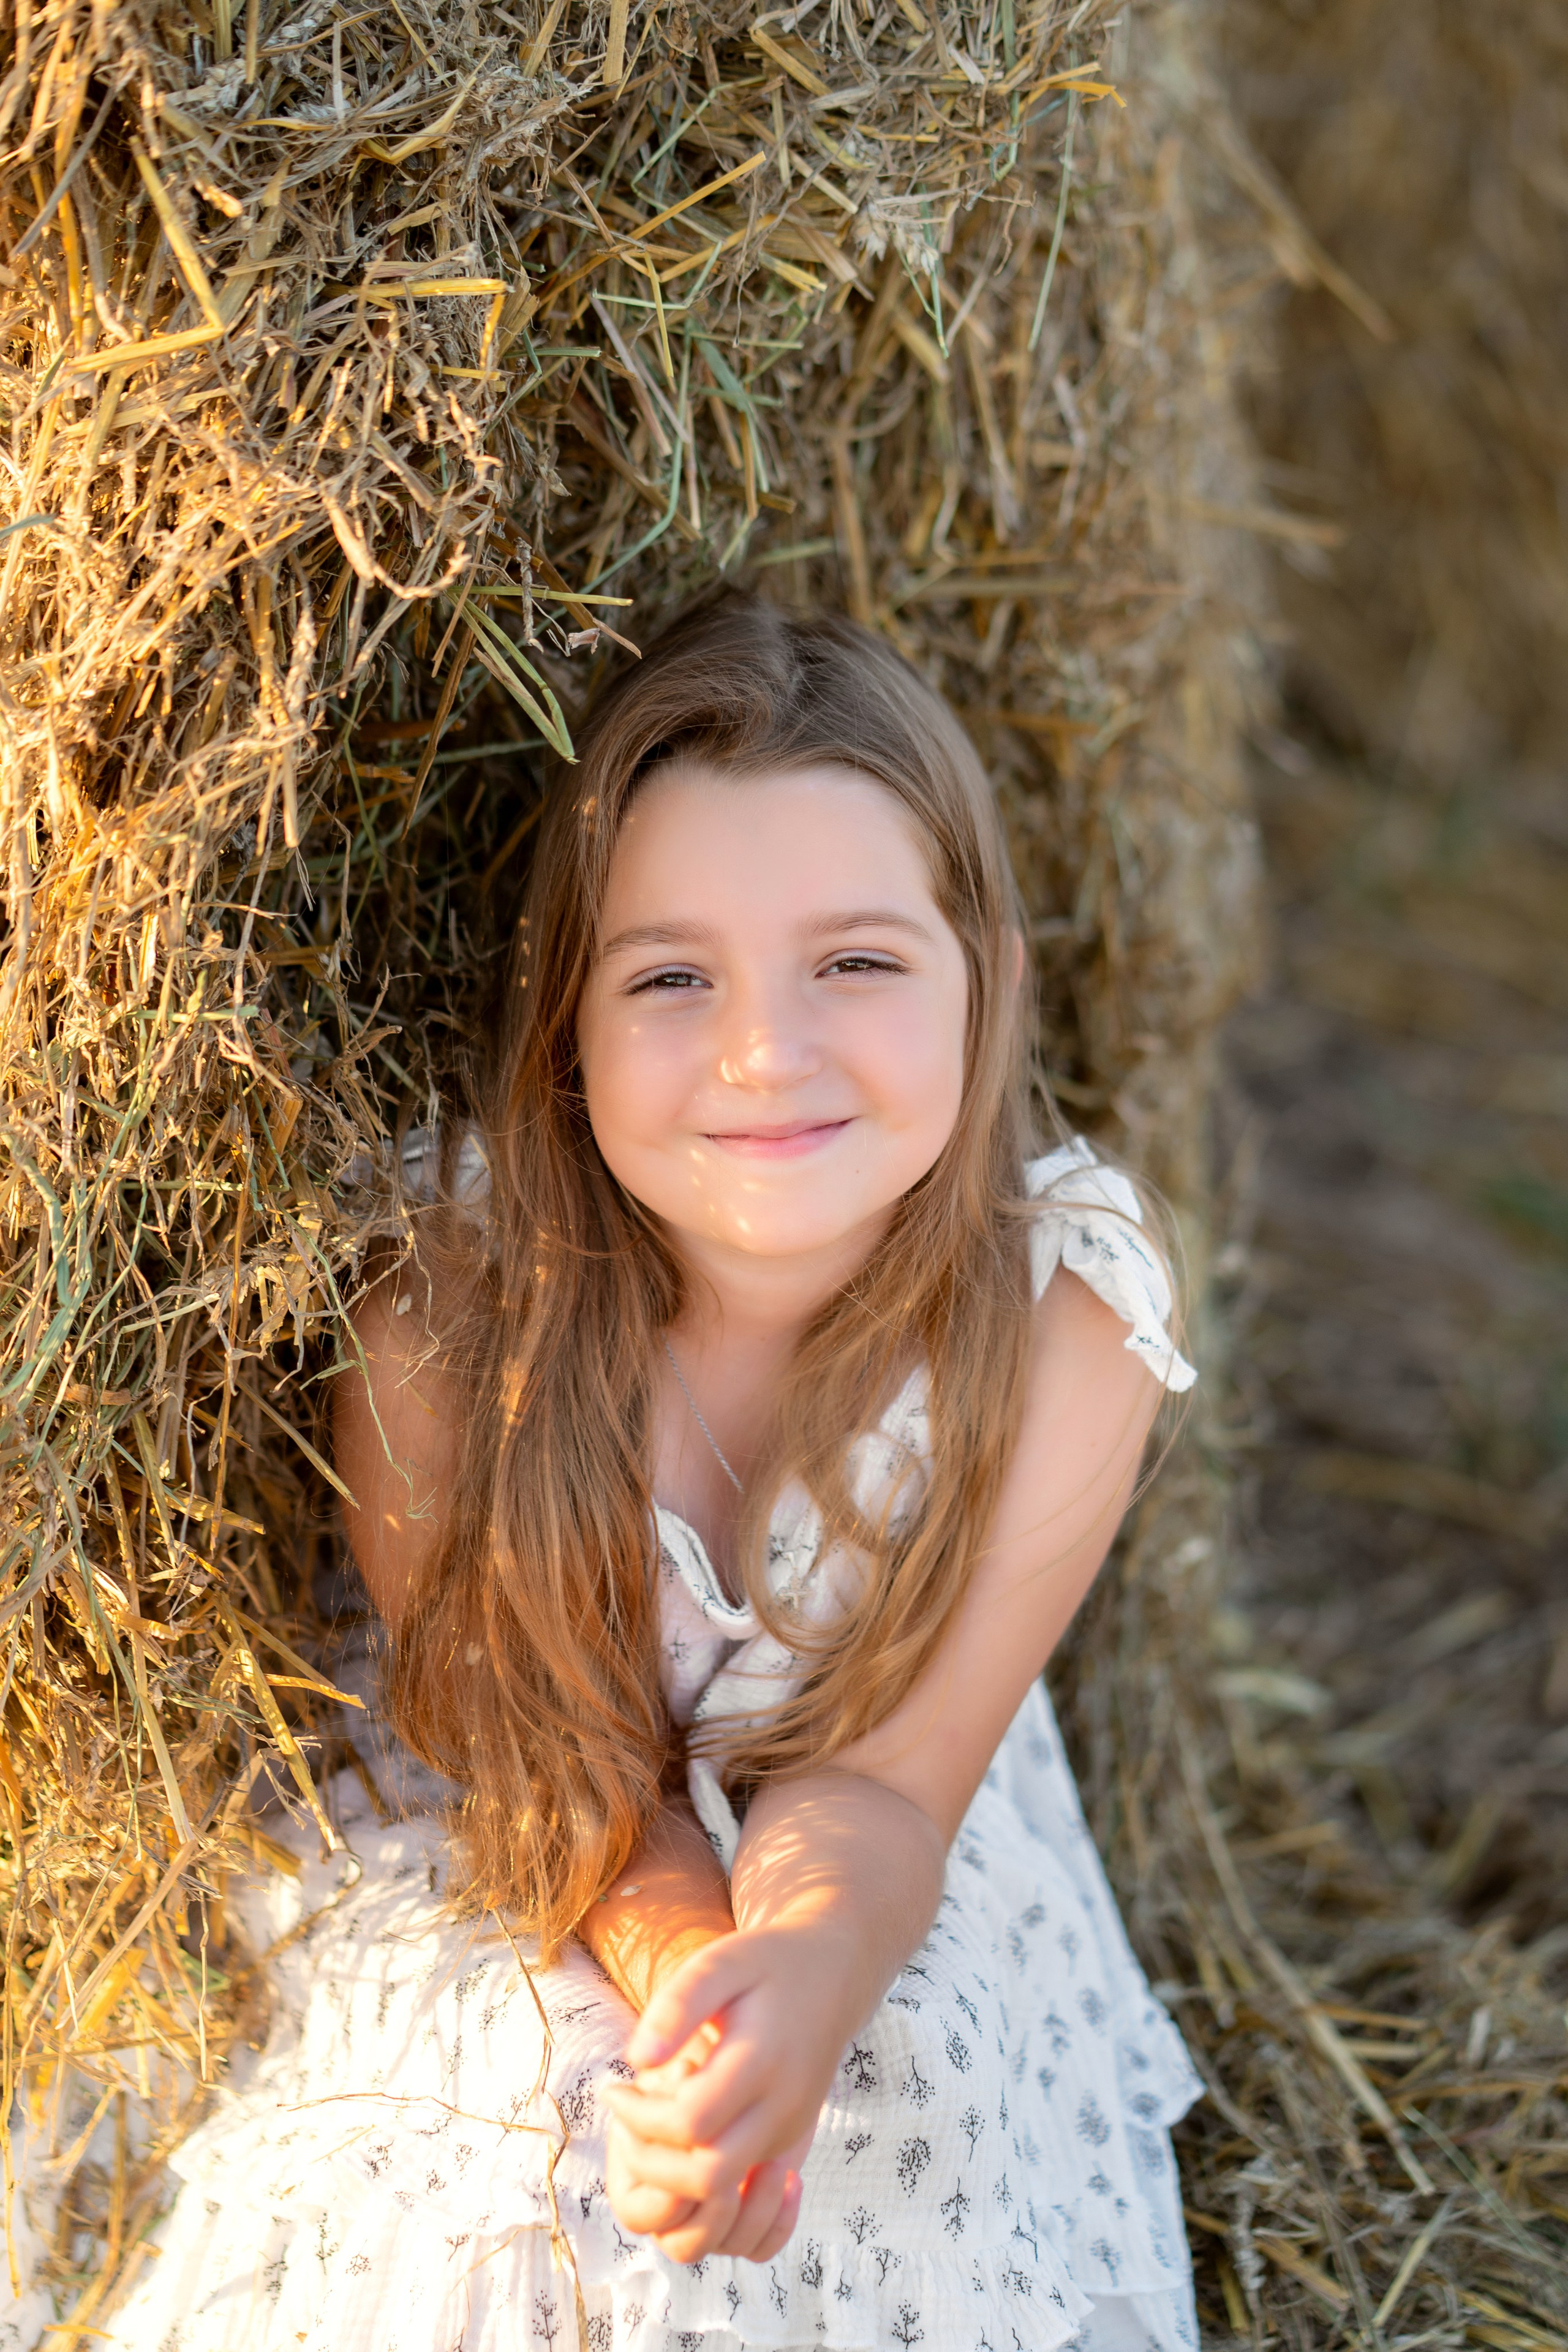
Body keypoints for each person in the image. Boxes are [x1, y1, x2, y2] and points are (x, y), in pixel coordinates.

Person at [111, 598, 1200, 2352]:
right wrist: (692, 1973)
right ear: (567, 1024)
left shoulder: (1064, 1317)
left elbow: (885, 1788)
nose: (766, 1052)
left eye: (856, 960)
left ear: (983, 972)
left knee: (892, 2086)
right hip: (519, 1785)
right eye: (673, 977)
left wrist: (805, 1969)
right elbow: (557, 1772)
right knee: (526, 2098)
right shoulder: (450, 1302)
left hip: (872, 1781)